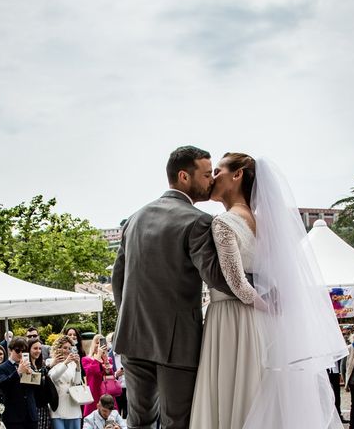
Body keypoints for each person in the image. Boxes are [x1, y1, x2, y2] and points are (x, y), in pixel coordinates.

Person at [111, 146, 234, 428]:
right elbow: (215, 276)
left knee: (139, 421)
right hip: (177, 344)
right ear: (183, 176)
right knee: (177, 422)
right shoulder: (198, 221)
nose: (211, 181)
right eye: (205, 175)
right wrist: (259, 285)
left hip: (133, 337)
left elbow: (118, 278)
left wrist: (128, 319)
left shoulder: (135, 218)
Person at [189, 152, 265, 429]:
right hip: (260, 322)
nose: (212, 177)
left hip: (230, 318)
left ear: (238, 174)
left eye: (218, 171)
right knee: (255, 390)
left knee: (228, 393)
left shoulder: (223, 222)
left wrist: (262, 304)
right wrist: (269, 307)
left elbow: (237, 284)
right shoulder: (264, 223)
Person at [0, 336, 38, 429]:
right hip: (13, 417)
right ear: (10, 350)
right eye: (18, 350)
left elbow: (36, 389)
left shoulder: (29, 365)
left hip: (31, 415)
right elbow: (3, 385)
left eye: (24, 351)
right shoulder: (1, 368)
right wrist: (18, 372)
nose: (21, 353)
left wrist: (33, 375)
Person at [47, 335, 82, 429]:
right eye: (65, 348)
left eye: (70, 348)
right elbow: (54, 377)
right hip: (58, 405)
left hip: (73, 404)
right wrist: (65, 363)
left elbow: (77, 382)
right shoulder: (51, 361)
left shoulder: (73, 363)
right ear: (58, 348)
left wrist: (78, 366)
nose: (67, 350)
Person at [81, 334, 115, 417]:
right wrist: (98, 357)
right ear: (93, 344)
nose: (99, 345)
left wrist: (105, 360)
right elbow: (90, 372)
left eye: (101, 343)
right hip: (93, 391)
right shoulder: (86, 359)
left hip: (106, 392)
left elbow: (110, 374)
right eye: (97, 343)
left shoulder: (108, 359)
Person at [28, 338, 51, 429]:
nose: (38, 351)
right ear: (29, 349)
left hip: (44, 406)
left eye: (40, 348)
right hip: (33, 407)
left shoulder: (42, 366)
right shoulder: (26, 366)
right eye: (35, 348)